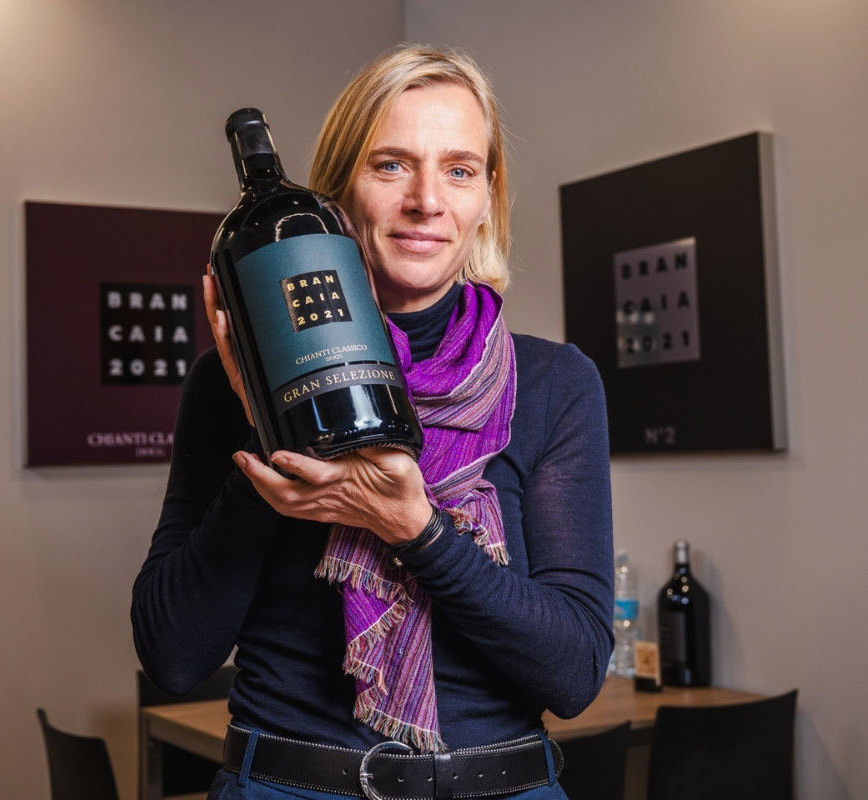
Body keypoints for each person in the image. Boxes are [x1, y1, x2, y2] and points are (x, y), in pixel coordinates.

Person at [132, 44, 614, 800]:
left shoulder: (554, 384)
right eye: (391, 165)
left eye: (459, 169)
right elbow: (173, 655)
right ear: (335, 194)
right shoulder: (229, 380)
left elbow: (576, 672)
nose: (427, 200)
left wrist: (416, 529)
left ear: (488, 196)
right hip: (287, 787)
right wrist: (269, 421)